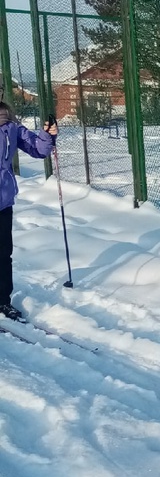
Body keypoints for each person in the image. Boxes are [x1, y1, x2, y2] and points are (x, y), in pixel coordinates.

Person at [0, 102, 58, 321]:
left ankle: (2, 301)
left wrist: (48, 135)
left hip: (3, 201)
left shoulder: (10, 125)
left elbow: (38, 150)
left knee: (3, 255)